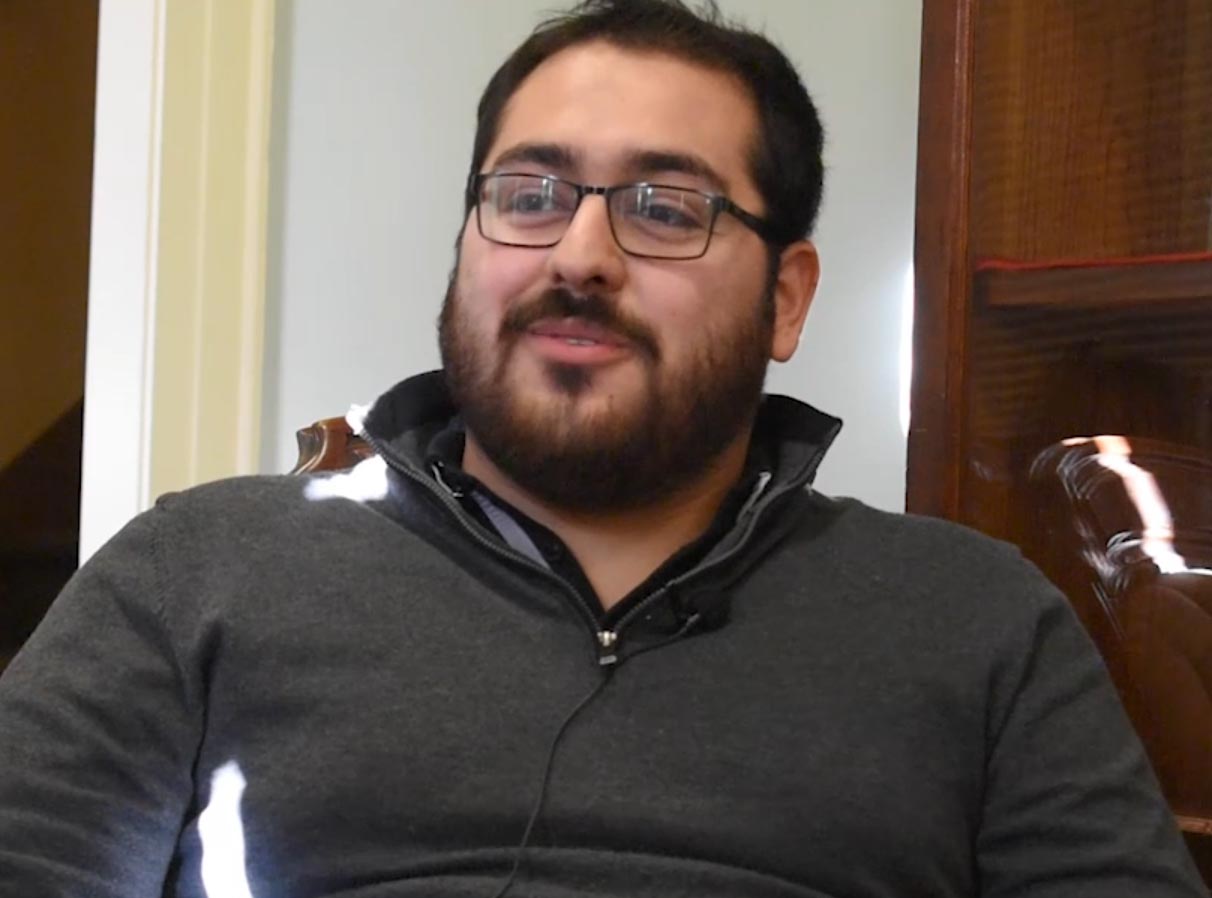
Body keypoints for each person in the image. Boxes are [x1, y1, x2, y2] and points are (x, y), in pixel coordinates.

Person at [0, 1, 1206, 896]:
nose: (578, 255)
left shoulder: (979, 623)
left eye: (666, 209)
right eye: (529, 195)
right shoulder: (198, 571)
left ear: (788, 300)